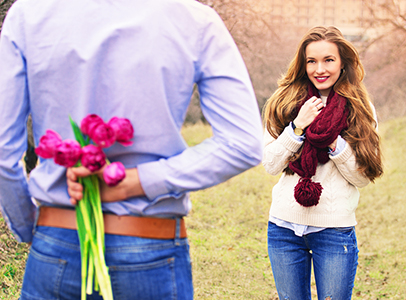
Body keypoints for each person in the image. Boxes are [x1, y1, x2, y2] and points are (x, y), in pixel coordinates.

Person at [0, 0, 263, 299]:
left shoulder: (29, 13)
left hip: (56, 239)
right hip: (149, 246)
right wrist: (137, 182)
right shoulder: (194, 20)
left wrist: (30, 226)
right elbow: (243, 143)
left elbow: (3, 152)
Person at [262, 26, 383, 300]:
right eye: (312, 61)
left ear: (343, 63)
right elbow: (270, 164)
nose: (320, 69)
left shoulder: (360, 108)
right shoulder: (284, 102)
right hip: (283, 228)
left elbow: (363, 177)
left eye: (329, 60)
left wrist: (333, 142)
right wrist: (297, 128)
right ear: (303, 64)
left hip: (334, 231)